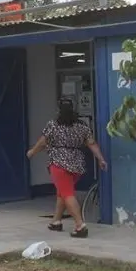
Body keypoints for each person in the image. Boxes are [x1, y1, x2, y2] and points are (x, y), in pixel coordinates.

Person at [27, 98, 107, 238]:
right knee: (62, 192)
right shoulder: (82, 126)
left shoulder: (53, 125)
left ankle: (80, 225)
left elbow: (43, 142)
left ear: (58, 110)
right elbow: (91, 143)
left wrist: (32, 152)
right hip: (77, 164)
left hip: (59, 163)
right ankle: (56, 221)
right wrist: (101, 159)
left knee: (67, 194)